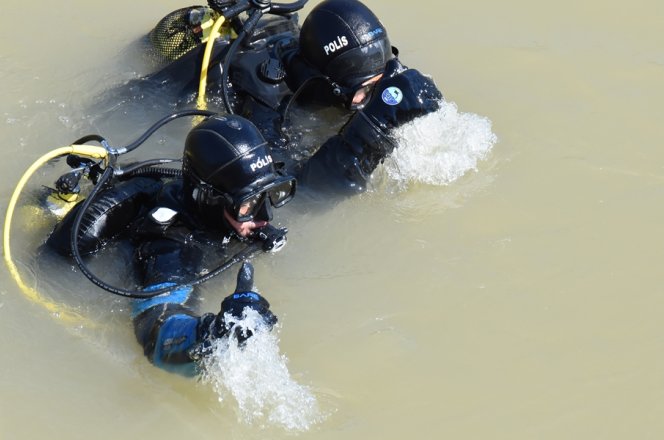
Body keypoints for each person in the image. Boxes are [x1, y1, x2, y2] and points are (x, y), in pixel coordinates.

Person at [46, 114, 294, 374]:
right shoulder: (173, 241)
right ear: (212, 200)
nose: (265, 217)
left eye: (271, 194)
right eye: (248, 204)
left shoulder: (227, 210)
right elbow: (156, 330)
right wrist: (211, 335)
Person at [143, 0, 444, 196]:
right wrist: (373, 125)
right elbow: (300, 194)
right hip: (159, 95)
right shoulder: (266, 103)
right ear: (325, 83)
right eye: (363, 91)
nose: (370, 99)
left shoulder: (349, 68)